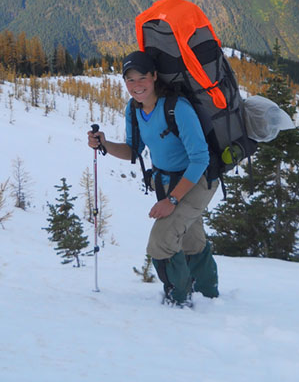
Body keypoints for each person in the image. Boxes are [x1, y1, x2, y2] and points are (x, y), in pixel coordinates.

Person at [87, 50, 219, 306]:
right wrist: (104, 144)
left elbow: (200, 159)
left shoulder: (177, 108)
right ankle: (208, 296)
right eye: (130, 80)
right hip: (169, 182)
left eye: (142, 78)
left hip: (198, 180)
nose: (136, 86)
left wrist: (171, 199)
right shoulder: (134, 109)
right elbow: (133, 150)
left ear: (154, 76)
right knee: (191, 239)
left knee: (161, 242)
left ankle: (178, 300)